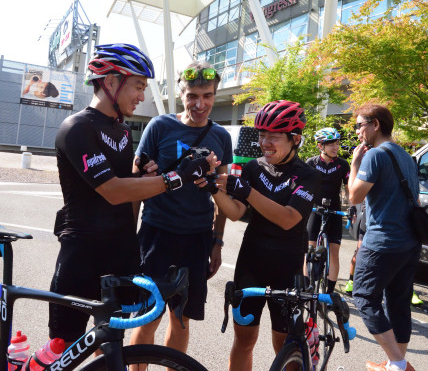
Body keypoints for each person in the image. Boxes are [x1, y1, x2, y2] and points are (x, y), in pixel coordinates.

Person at [48, 44, 210, 346]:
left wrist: (142, 177)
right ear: (110, 82)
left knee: (111, 345)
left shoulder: (122, 130)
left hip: (119, 251)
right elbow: (111, 190)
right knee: (63, 349)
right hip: (82, 253)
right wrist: (176, 177)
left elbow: (126, 185)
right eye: (138, 86)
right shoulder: (77, 128)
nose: (141, 96)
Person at [129, 61, 233, 354]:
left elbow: (221, 194)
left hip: (197, 238)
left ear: (215, 95)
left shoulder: (221, 137)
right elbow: (137, 183)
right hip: (157, 234)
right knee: (148, 317)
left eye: (208, 95)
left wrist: (217, 242)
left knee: (182, 319)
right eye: (192, 96)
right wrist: (128, 237)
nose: (200, 104)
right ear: (181, 93)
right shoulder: (160, 126)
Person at [210, 100, 321, 371]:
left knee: (285, 346)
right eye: (261, 135)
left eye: (273, 136)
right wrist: (213, 188)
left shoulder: (308, 176)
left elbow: (288, 219)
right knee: (243, 340)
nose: (265, 142)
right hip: (251, 264)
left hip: (287, 268)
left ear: (295, 139)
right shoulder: (253, 169)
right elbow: (236, 212)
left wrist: (247, 191)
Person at [348, 104, 420, 371]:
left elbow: (354, 197)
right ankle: (394, 363)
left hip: (382, 242)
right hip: (409, 242)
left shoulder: (375, 156)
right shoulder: (407, 156)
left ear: (375, 125)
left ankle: (399, 364)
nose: (357, 132)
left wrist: (355, 163)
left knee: (364, 297)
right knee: (398, 302)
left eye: (359, 125)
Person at [303, 127, 349, 293]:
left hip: (334, 211)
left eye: (337, 142)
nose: (335, 147)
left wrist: (352, 208)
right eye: (330, 143)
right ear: (320, 146)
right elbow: (302, 187)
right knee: (309, 250)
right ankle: (306, 288)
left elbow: (348, 188)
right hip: (314, 210)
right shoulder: (311, 163)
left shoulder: (343, 165)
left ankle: (329, 293)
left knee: (334, 252)